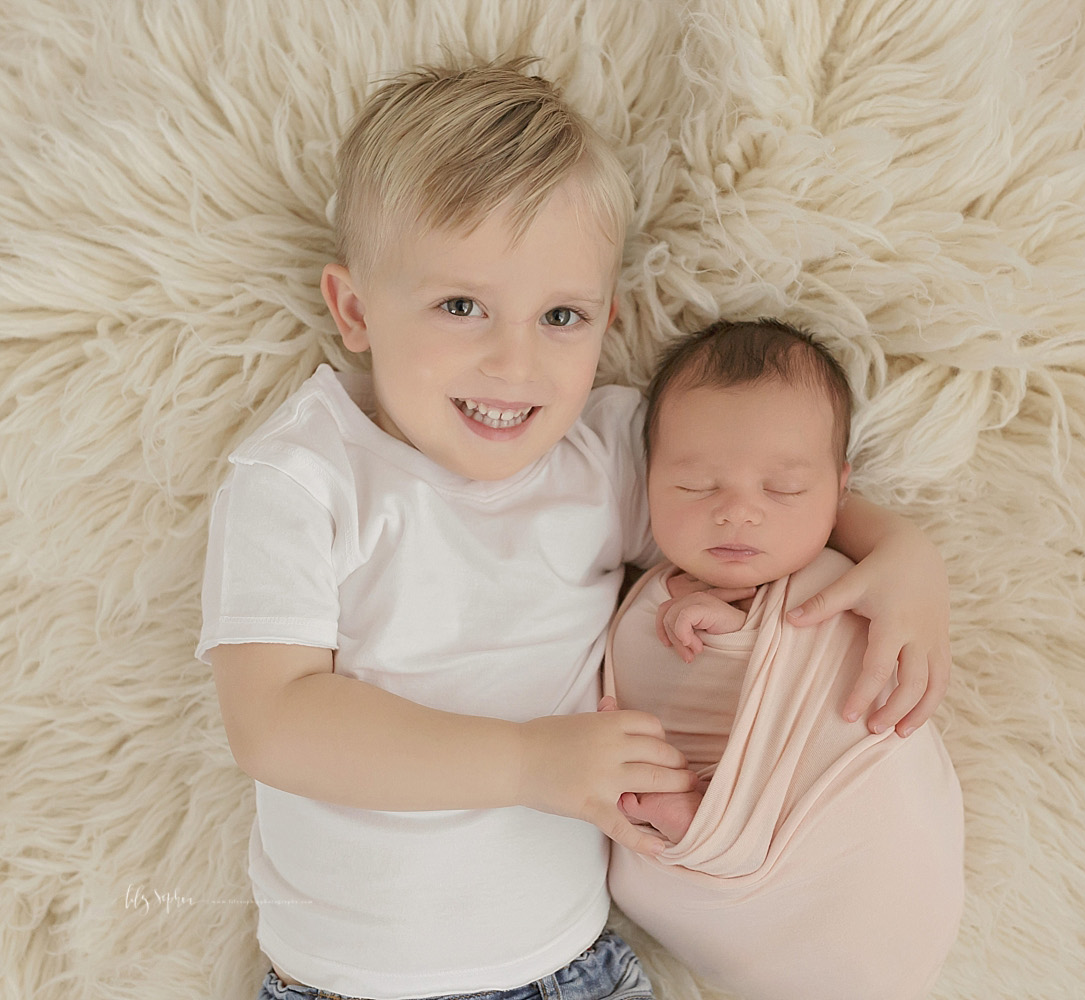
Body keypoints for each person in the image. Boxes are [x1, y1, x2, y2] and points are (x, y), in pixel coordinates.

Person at [197, 60, 952, 1000]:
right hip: (354, 982)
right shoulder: (305, 477)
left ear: (608, 320)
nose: (515, 362)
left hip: (568, 966)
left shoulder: (604, 455)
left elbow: (746, 502)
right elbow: (274, 724)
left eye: (561, 315)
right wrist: (527, 763)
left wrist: (896, 549)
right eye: (461, 306)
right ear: (355, 310)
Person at [601, 319, 965, 1000]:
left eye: (784, 490)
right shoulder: (640, 592)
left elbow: (833, 661)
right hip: (718, 858)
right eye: (696, 485)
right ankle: (705, 822)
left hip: (852, 824)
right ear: (648, 481)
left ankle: (710, 817)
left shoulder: (847, 576)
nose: (738, 512)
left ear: (838, 492)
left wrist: (739, 626)